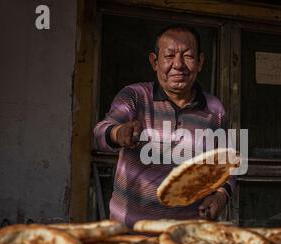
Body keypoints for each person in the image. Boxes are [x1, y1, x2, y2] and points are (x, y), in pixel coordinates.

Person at [93, 24, 235, 228]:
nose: (178, 65)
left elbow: (227, 162)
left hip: (189, 232)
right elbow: (100, 132)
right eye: (169, 56)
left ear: (200, 62)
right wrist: (117, 132)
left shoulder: (215, 110)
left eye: (187, 56)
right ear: (154, 61)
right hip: (131, 230)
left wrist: (221, 194)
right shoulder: (135, 97)